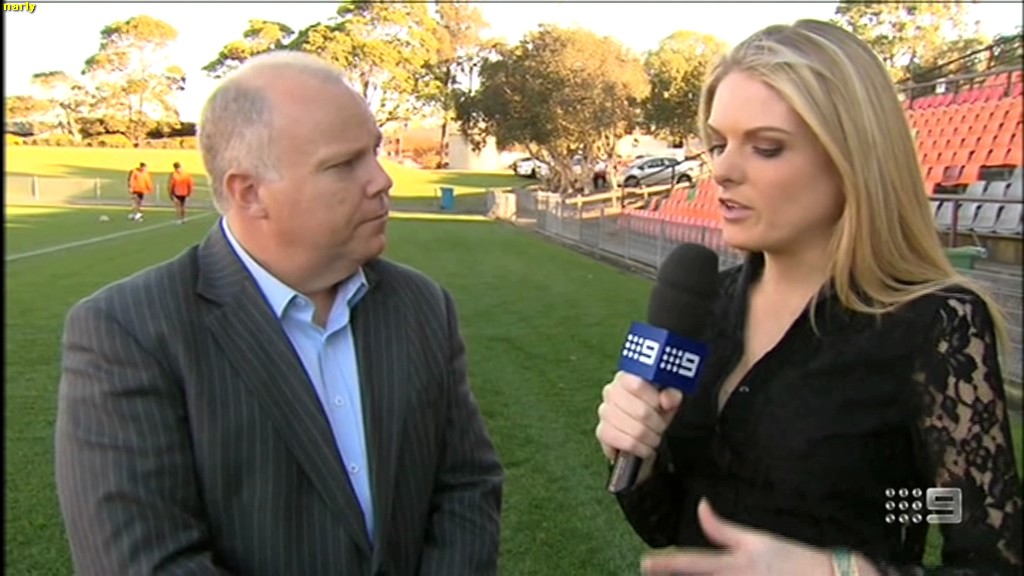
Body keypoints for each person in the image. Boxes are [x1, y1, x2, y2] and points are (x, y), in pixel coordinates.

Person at [595, 20, 1021, 576]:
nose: (722, 170)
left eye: (766, 147)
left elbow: (981, 549)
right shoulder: (709, 304)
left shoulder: (935, 324)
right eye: (718, 144)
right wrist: (641, 456)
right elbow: (674, 523)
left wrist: (841, 569)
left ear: (850, 159)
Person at [56, 50, 504, 576]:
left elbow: (466, 486)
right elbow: (142, 561)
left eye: (374, 152)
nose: (382, 181)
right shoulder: (128, 331)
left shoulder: (422, 305)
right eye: (343, 165)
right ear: (249, 193)